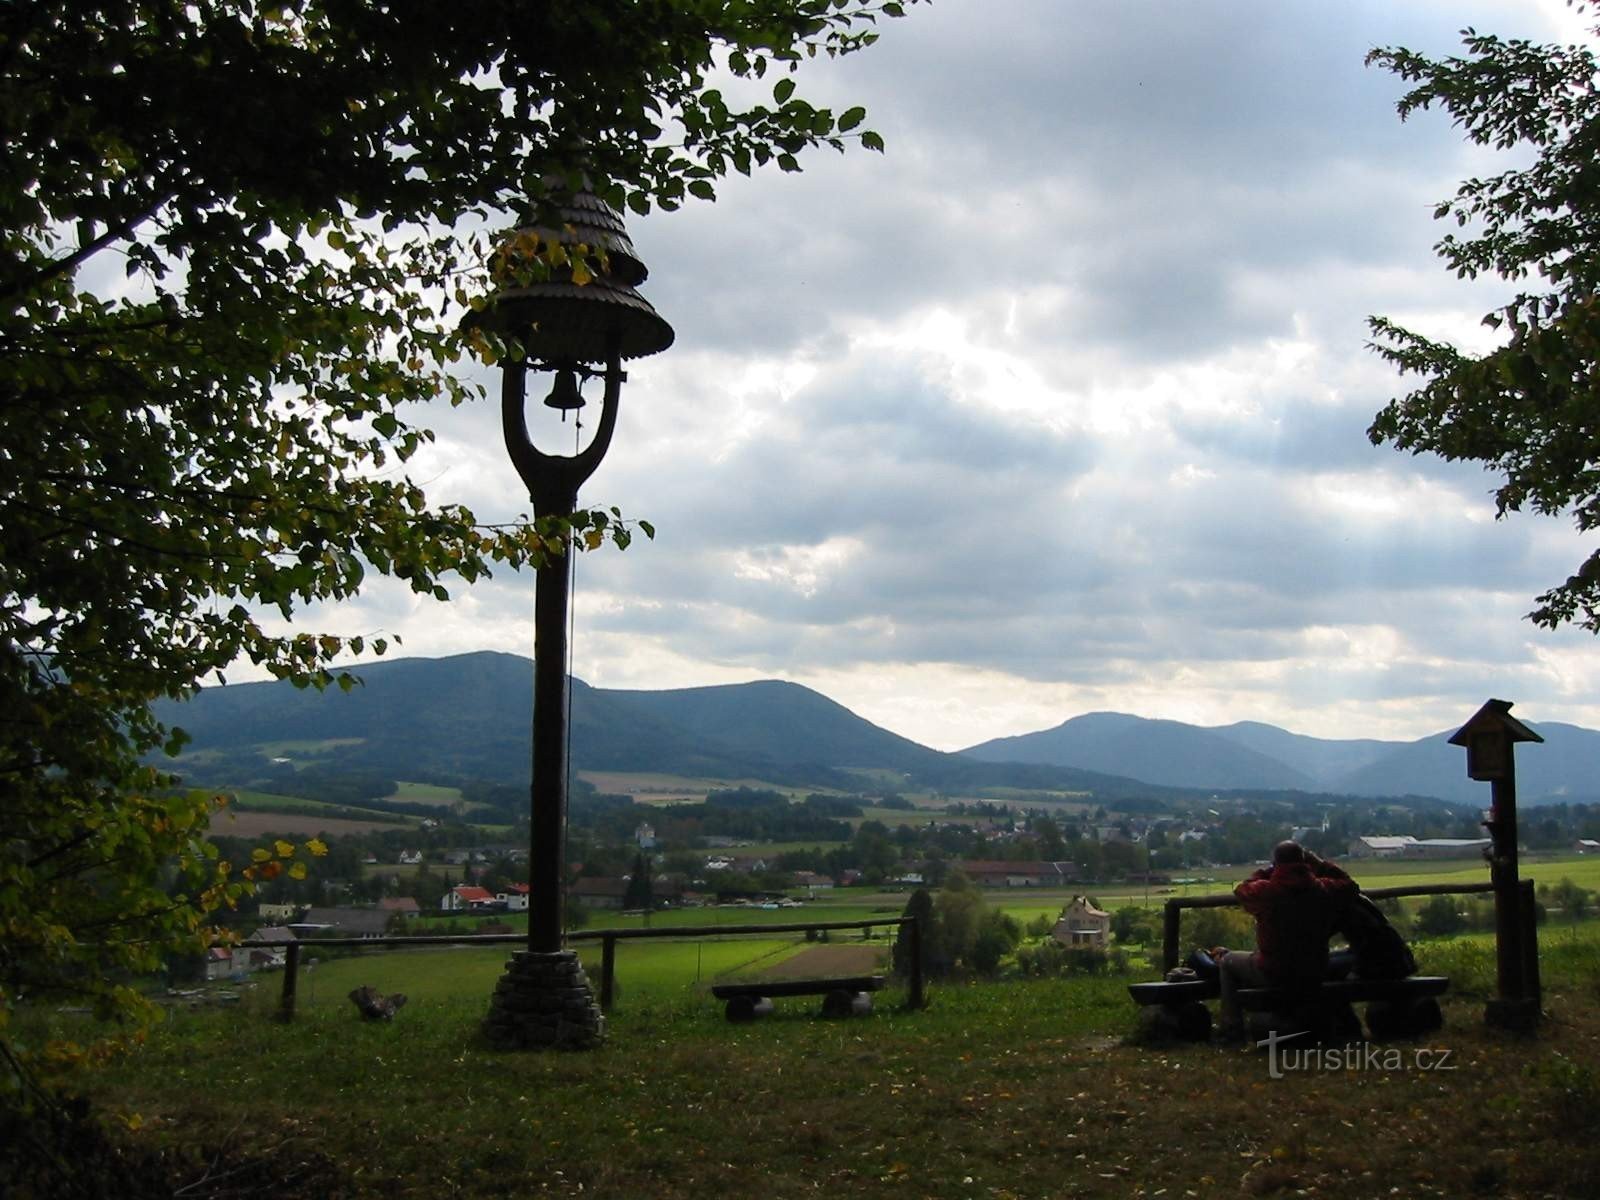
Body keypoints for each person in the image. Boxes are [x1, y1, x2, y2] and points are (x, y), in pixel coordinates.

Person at [1215, 840, 1356, 1040]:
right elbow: (1350, 886)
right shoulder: (1323, 890)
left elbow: (1242, 889)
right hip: (1314, 971)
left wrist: (1265, 872)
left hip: (1274, 971)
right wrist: (1321, 865)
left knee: (1228, 961)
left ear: (1277, 863)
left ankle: (1231, 1029)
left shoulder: (1267, 891)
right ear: (1304, 861)